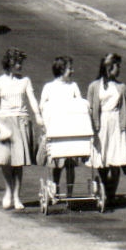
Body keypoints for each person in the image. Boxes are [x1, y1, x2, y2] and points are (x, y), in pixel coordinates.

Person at [0, 48, 42, 210]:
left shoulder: (25, 80)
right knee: (4, 160)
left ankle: (17, 196)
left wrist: (38, 115)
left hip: (21, 121)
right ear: (9, 64)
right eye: (17, 63)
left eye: (21, 63)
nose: (20, 66)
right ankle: (8, 191)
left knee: (18, 162)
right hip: (3, 123)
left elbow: (32, 100)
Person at [87, 52, 126, 210]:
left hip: (117, 126)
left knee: (116, 161)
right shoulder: (94, 86)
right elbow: (91, 108)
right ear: (109, 67)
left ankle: (111, 194)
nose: (119, 69)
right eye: (117, 66)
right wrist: (92, 128)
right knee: (102, 160)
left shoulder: (121, 87)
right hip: (101, 126)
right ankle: (104, 190)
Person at [39, 56, 83, 198]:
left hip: (70, 130)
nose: (73, 71)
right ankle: (54, 191)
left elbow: (80, 105)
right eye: (70, 68)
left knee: (70, 164)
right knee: (56, 163)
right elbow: (42, 107)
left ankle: (69, 194)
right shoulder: (49, 87)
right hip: (55, 130)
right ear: (62, 69)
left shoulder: (73, 86)